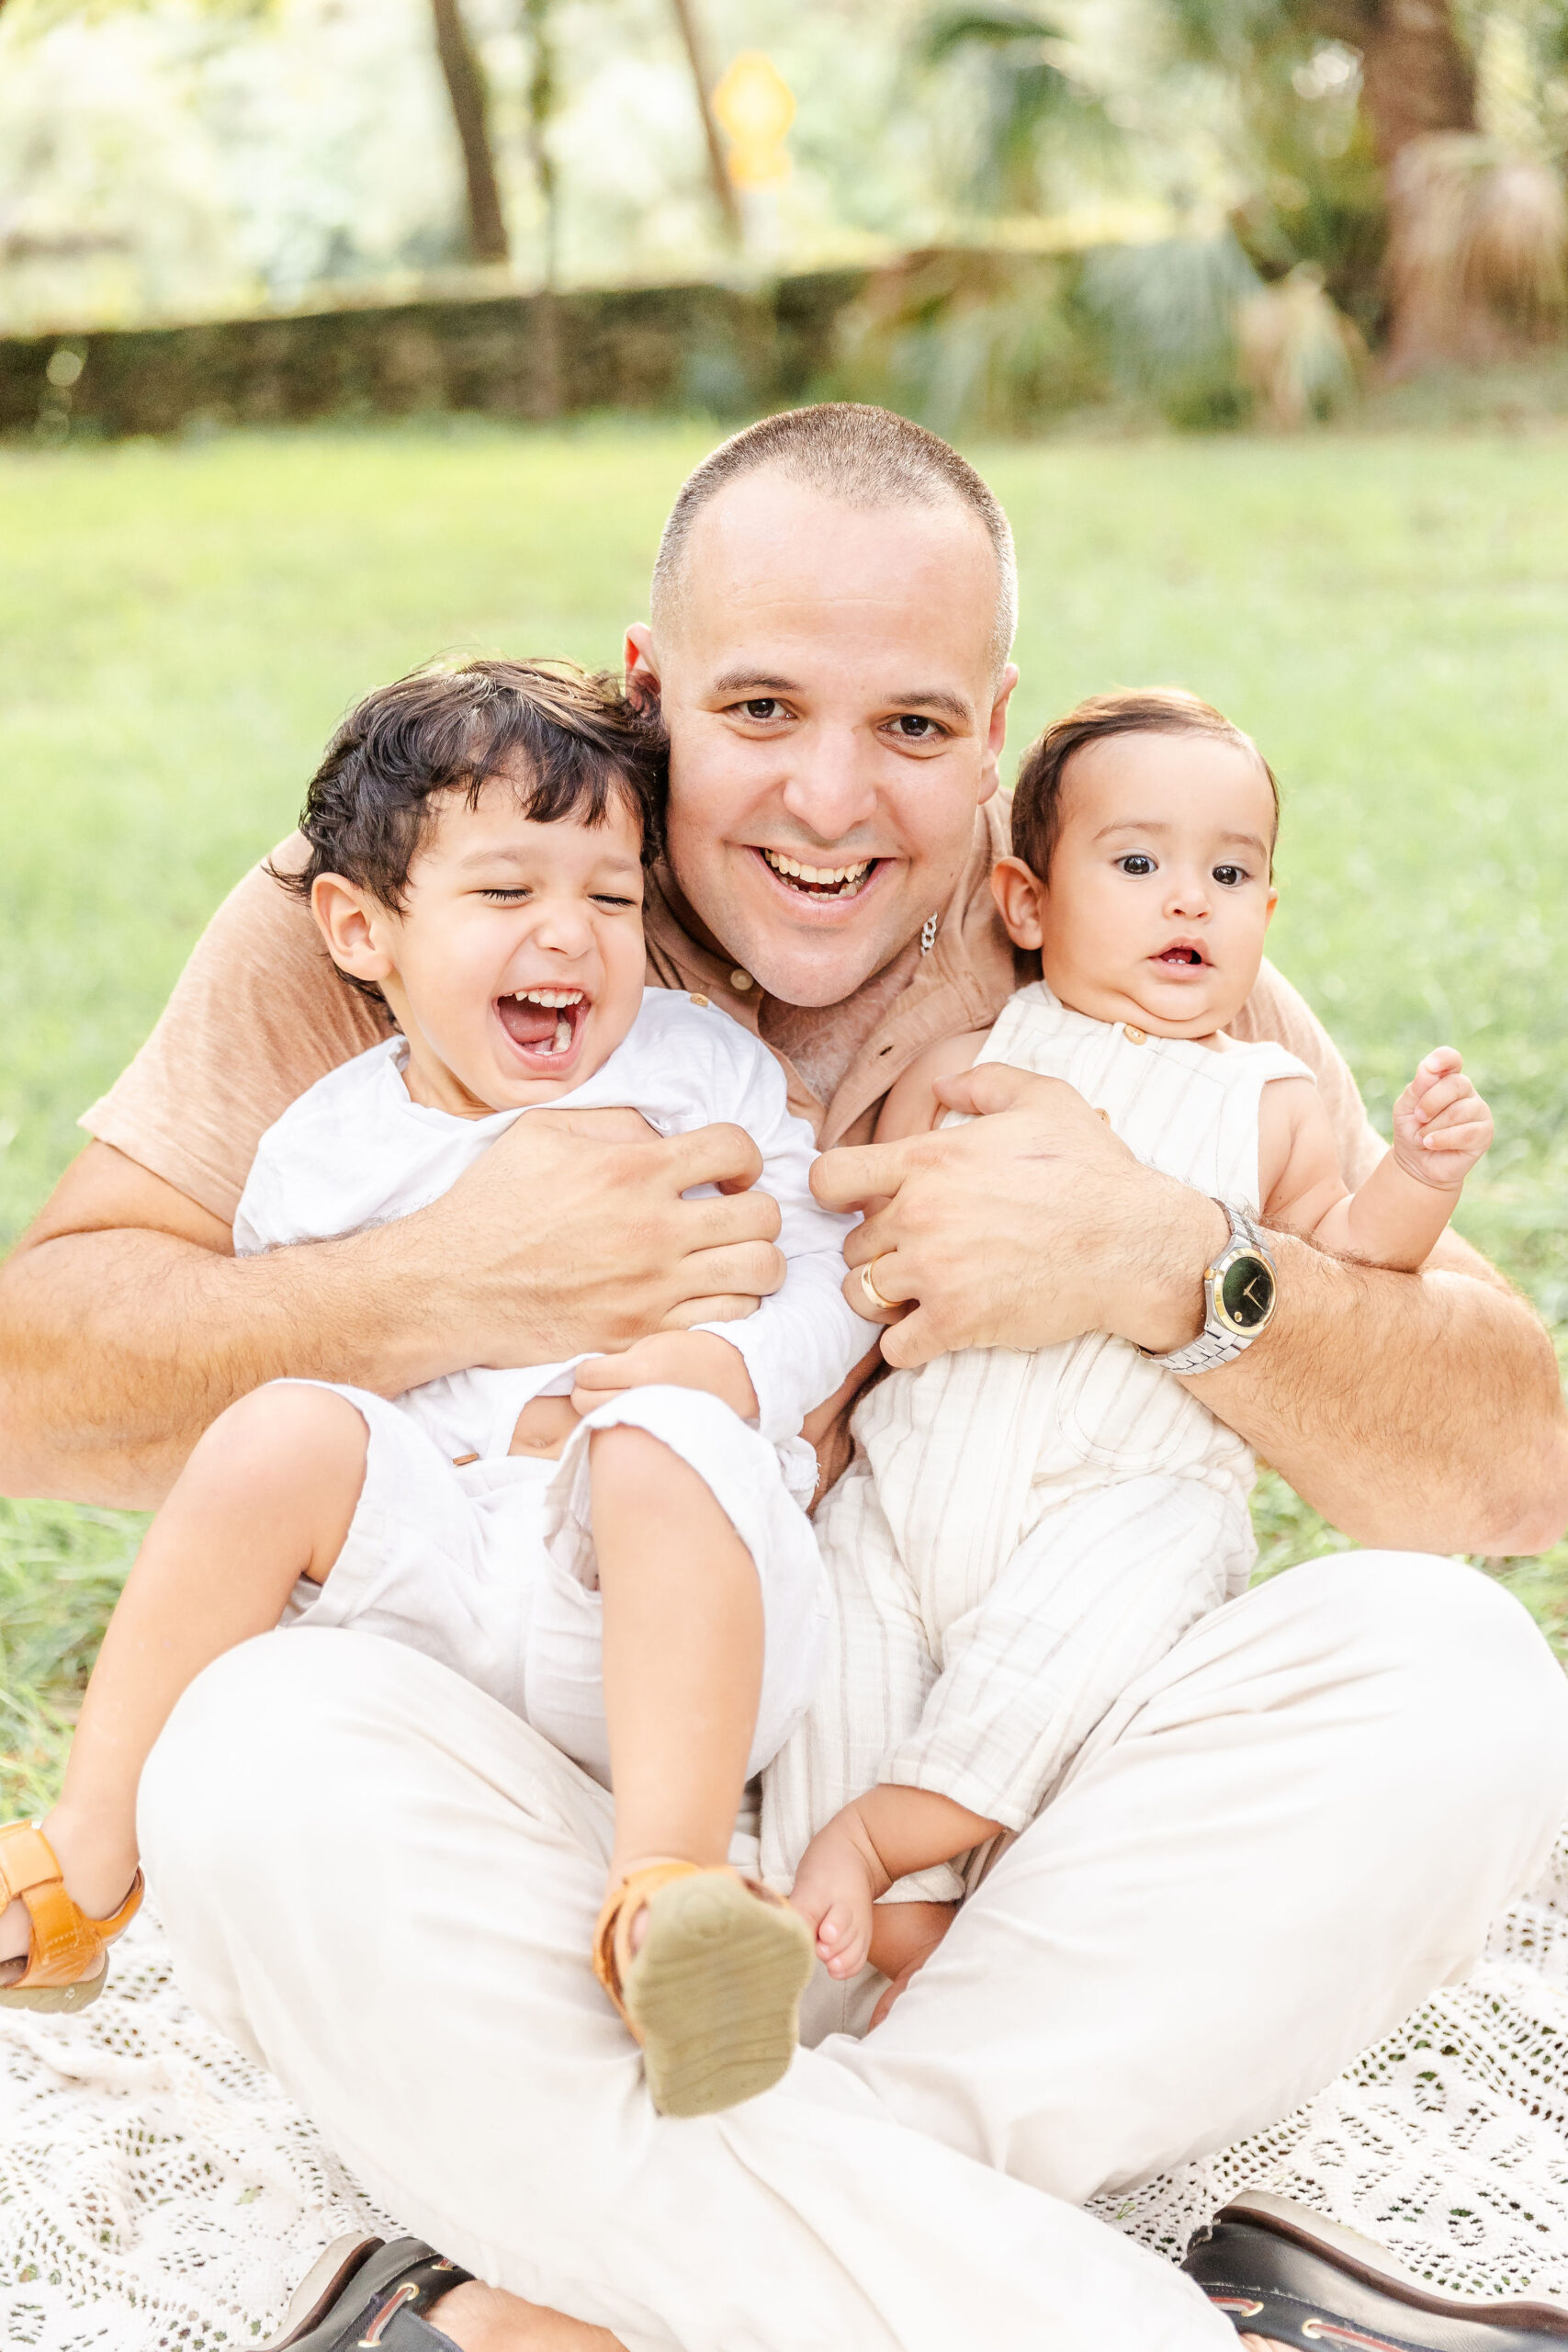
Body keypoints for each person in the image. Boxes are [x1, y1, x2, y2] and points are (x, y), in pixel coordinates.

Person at [3, 403, 1567, 2351]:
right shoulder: (444, 883)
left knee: (1454, 1670)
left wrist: (1172, 1260)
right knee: (249, 1758)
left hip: (967, 1869)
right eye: (758, 710)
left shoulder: (1109, 930)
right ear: (651, 694)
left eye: (910, 730)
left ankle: (622, 2285)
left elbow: (1510, 1467)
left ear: (994, 737)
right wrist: (438, 1279)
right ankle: (1066, 2304)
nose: (830, 801)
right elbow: (39, 1376)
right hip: (561, 1832)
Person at [0, 658, 883, 2116]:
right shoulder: (324, 1152)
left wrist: (713, 1368)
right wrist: (473, 1416)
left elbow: (818, 1277)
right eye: (505, 895)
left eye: (610, 898)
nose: (572, 938)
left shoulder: (698, 1073)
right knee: (281, 1423)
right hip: (453, 1585)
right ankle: (91, 1855)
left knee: (659, 1439)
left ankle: (666, 1897)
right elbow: (348, 1386)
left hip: (666, 1601)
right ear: (363, 931)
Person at [779, 687, 1495, 1989]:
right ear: (1028, 905)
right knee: (839, 1638)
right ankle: (846, 1927)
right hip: (914, 1483)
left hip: (1117, 1504)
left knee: (1100, 1618)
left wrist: (1422, 1179)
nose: (1189, 900)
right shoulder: (970, 1056)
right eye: (1139, 863)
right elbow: (849, 1222)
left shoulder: (1266, 1101)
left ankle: (901, 1847)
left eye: (1230, 873)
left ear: (1266, 918)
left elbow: (1346, 1257)